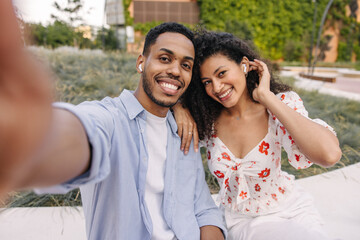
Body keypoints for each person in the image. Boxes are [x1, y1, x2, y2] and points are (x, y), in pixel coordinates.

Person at [0, 2, 227, 239]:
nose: (175, 71)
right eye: (164, 58)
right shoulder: (109, 119)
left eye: (186, 65)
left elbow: (204, 210)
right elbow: (79, 134)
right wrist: (24, 137)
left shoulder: (184, 132)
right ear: (141, 62)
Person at [172, 30, 342, 240]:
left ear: (244, 65)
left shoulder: (278, 107)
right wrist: (178, 107)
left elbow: (329, 155)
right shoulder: (207, 120)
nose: (216, 87)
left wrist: (267, 97)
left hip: (292, 211)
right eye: (207, 82)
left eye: (222, 73)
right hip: (242, 221)